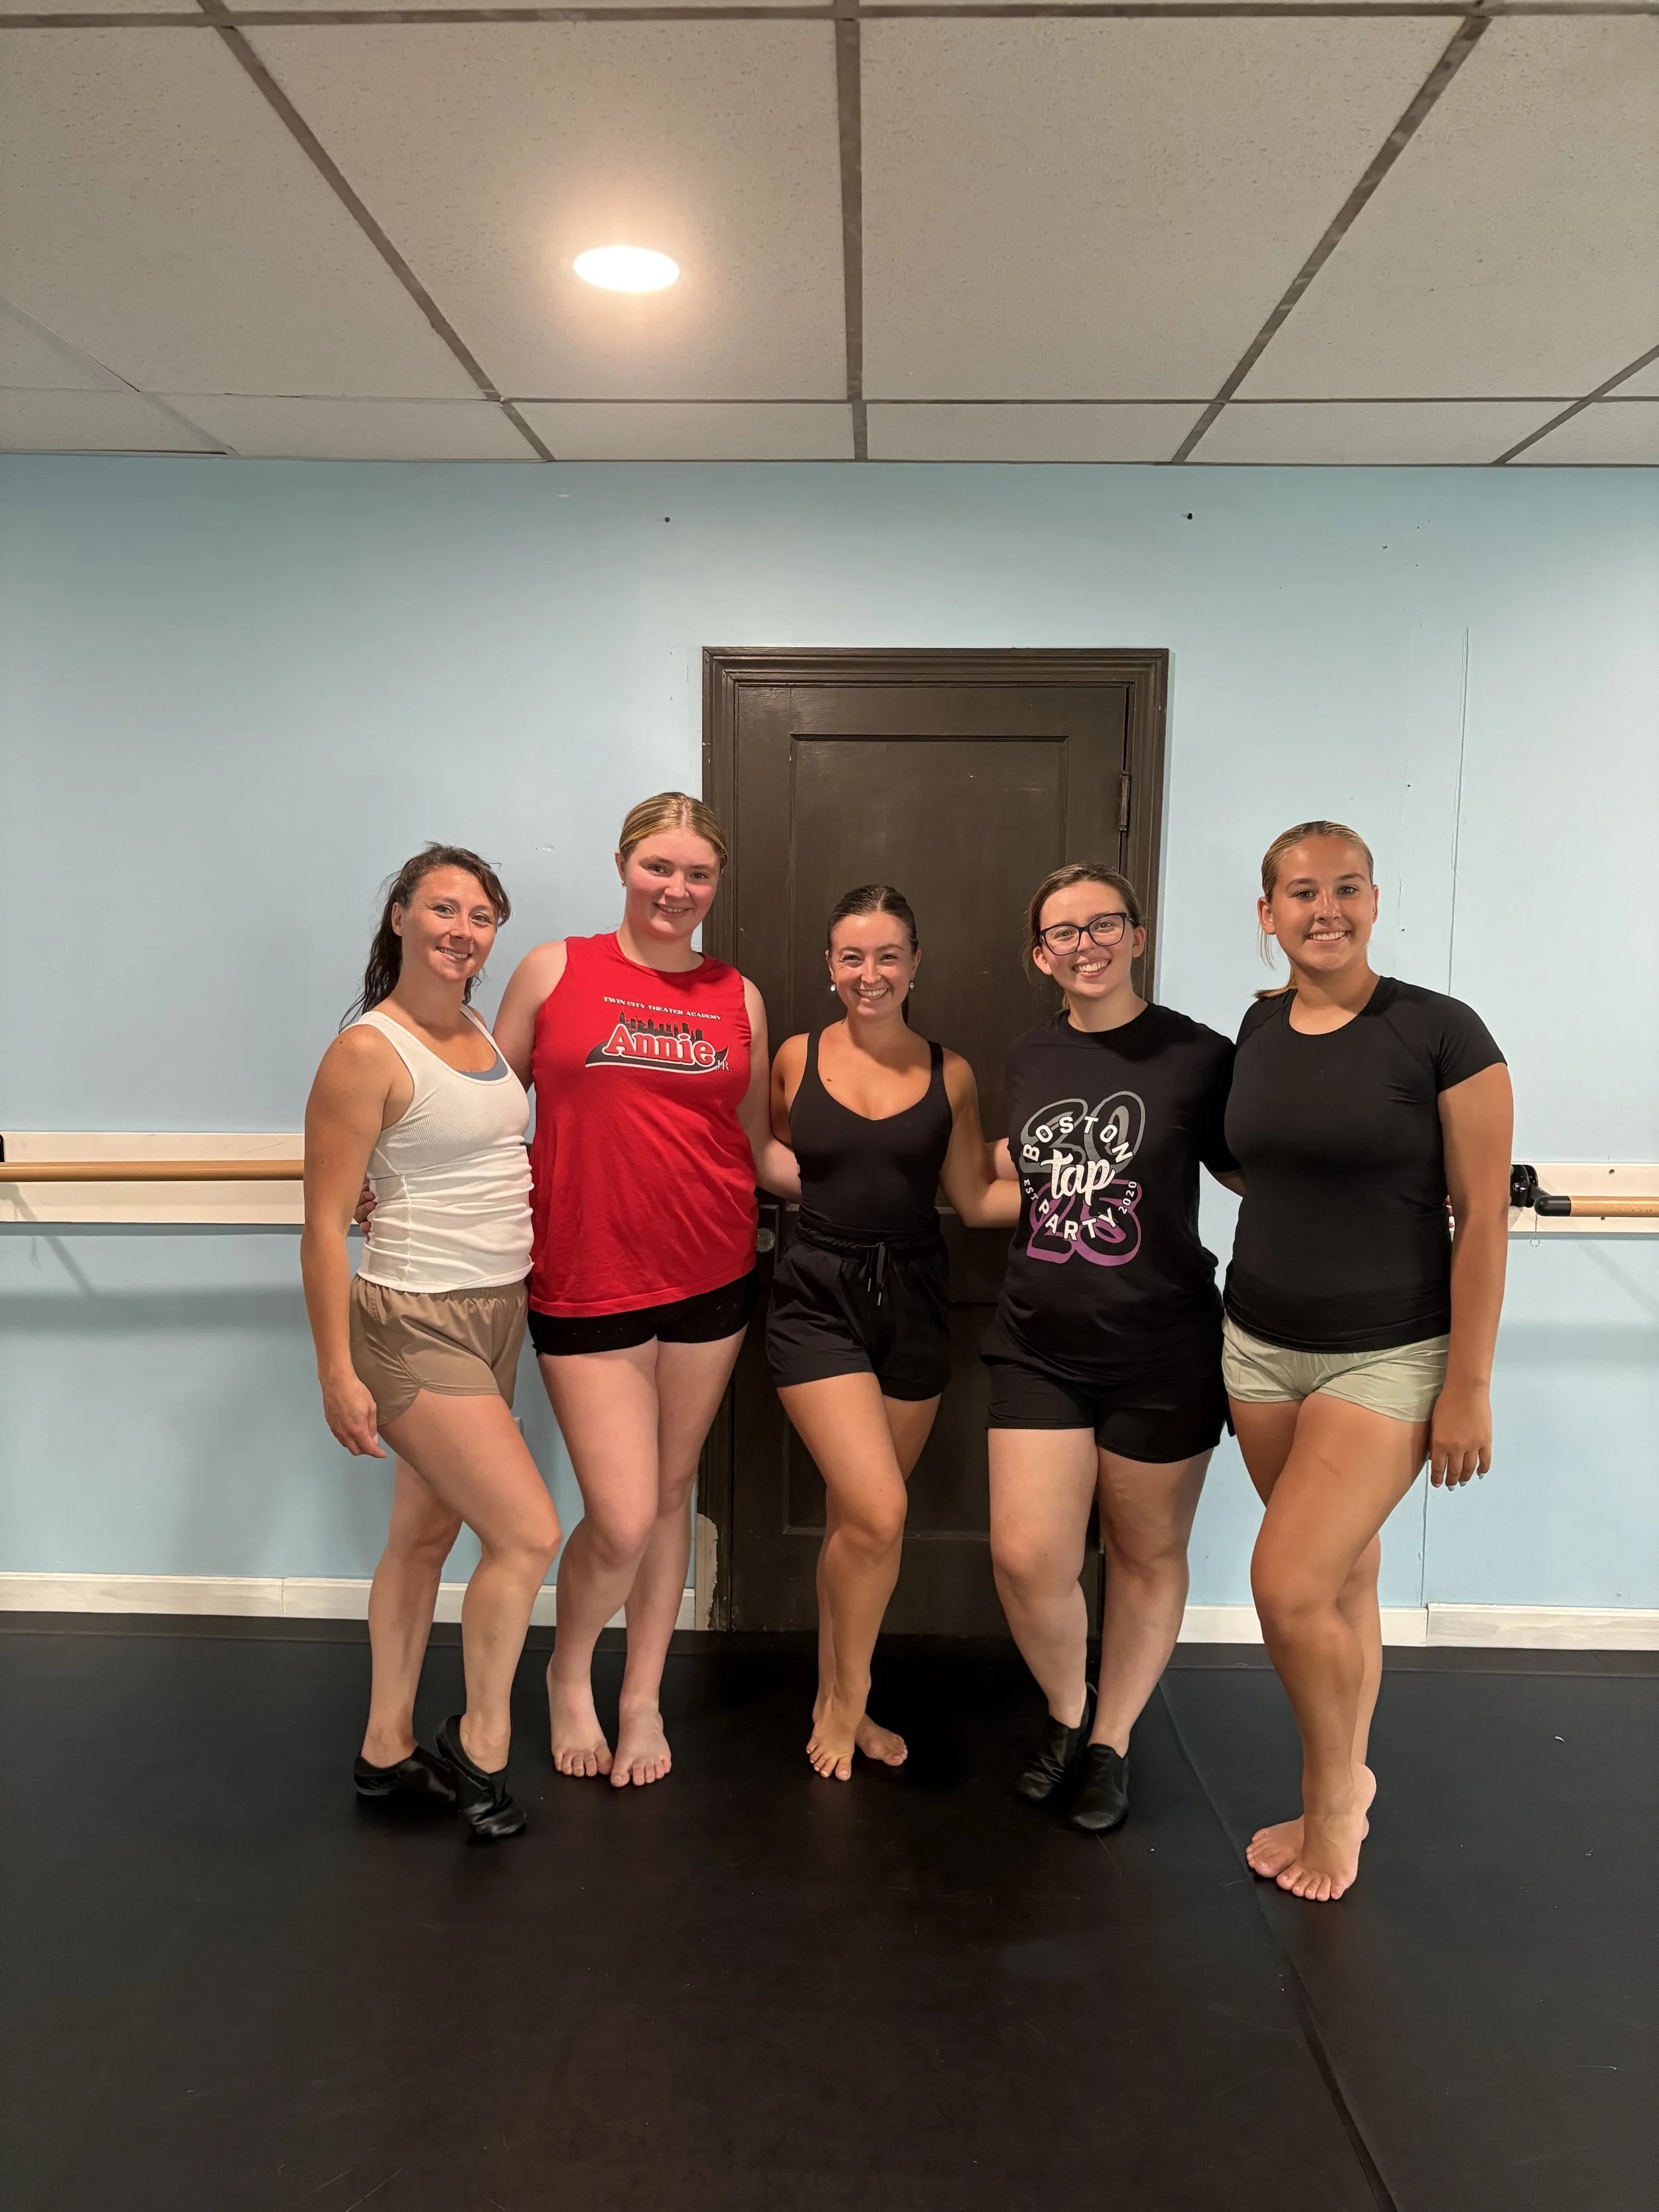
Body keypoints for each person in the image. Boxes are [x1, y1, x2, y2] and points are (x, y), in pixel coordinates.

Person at [1224, 820, 1511, 1901]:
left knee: (1286, 1586)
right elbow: (1263, 1171)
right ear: (1267, 915)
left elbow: (1482, 1219)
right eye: (1300, 893)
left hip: (1387, 1357)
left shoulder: (1441, 1034)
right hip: (1257, 1346)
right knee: (1341, 1574)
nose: (1324, 909)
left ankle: (1334, 1792)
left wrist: (1468, 1387)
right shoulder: (1255, 1033)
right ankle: (1347, 1772)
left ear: (1376, 901)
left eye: (1346, 888)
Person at [492, 793, 798, 1789]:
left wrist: (893, 1166)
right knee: (620, 1512)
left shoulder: (736, 994)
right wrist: (389, 1172)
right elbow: (487, 1111)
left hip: (712, 1269)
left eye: (697, 874)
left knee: (671, 1496)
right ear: (623, 864)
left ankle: (642, 1697)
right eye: (658, 868)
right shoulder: (557, 968)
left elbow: (753, 1147)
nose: (677, 890)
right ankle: (570, 1674)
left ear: (716, 883)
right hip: (584, 1274)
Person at [301, 845, 560, 1842]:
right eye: (443, 909)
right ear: (401, 917)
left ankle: (383, 1750)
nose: (463, 930)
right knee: (528, 1533)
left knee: (423, 1536)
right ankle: (480, 1746)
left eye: (482, 915)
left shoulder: (480, 1036)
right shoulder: (367, 1051)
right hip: (411, 1322)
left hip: (497, 1313)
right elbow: (326, 1224)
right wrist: (336, 1369)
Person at [984, 863, 1240, 1832]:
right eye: (1062, 932)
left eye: (1103, 925)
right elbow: (1029, 1180)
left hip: (1163, 1344)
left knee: (1145, 1551)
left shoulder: (1200, 1055)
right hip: (1038, 1340)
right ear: (1038, 955)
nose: (1084, 944)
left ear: (1136, 935)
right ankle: (1064, 1705)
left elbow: (1254, 1169)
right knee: (1024, 1553)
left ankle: (1112, 1739)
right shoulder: (1026, 1058)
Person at [767, 886, 1017, 1781]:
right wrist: (822, 1197)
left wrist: (1084, 1176)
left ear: (915, 964)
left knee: (856, 1522)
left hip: (915, 1296)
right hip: (815, 1295)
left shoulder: (950, 1072)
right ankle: (844, 1697)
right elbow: (760, 1148)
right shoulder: (795, 1056)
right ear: (828, 965)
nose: (868, 975)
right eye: (850, 957)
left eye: (886, 957)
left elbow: (978, 1196)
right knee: (879, 1511)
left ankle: (845, 1697)